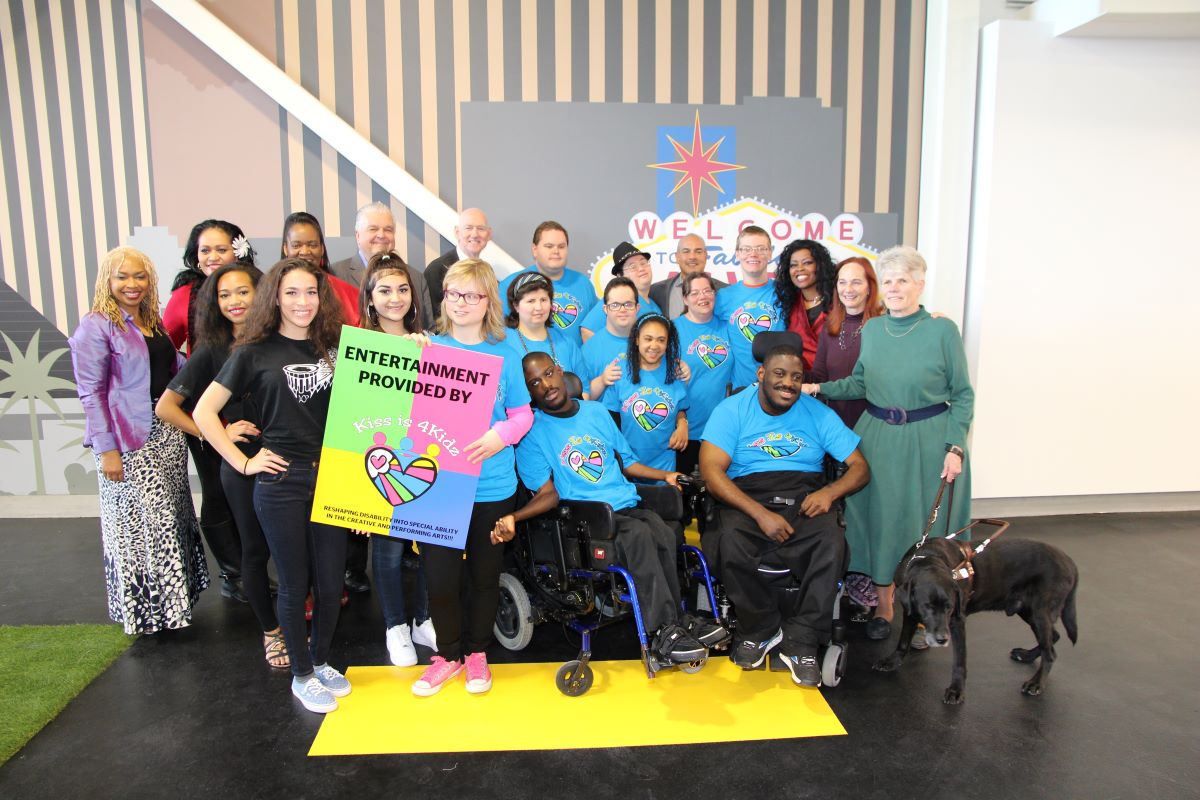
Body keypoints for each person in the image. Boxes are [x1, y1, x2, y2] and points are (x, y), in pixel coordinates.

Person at [194, 258, 351, 714]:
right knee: (294, 582)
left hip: (332, 477)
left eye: (311, 292)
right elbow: (204, 412)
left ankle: (319, 661)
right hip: (282, 481)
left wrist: (417, 345)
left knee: (329, 583)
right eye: (292, 293)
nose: (303, 302)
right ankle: (301, 675)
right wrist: (243, 463)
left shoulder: (337, 347)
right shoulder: (252, 352)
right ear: (275, 298)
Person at [497, 352, 726, 663]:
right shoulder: (533, 433)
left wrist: (665, 476)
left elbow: (627, 463)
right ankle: (662, 632)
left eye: (548, 374)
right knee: (639, 535)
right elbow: (547, 494)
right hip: (587, 517)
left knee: (664, 530)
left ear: (560, 371)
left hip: (624, 504)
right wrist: (514, 516)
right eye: (534, 383)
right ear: (528, 392)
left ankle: (677, 620)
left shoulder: (596, 412)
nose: (546, 385)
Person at [803, 245, 974, 644]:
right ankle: (884, 606)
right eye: (889, 281)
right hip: (878, 436)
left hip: (929, 439)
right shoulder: (874, 329)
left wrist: (955, 447)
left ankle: (927, 610)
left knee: (923, 527)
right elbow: (861, 383)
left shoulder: (942, 330)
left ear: (919, 284)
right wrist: (816, 388)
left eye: (903, 280)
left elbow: (963, 394)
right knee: (879, 523)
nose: (894, 288)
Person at [700, 335, 869, 686]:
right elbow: (712, 472)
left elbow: (859, 467)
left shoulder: (818, 414)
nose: (788, 383)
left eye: (796, 377)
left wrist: (829, 492)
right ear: (761, 374)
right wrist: (760, 514)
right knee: (727, 539)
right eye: (779, 374)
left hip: (804, 495)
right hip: (747, 495)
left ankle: (802, 638)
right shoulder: (731, 410)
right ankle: (760, 628)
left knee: (831, 541)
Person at [154, 262, 288, 667]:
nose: (234, 301)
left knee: (296, 548)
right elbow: (166, 407)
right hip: (242, 464)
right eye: (224, 295)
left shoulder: (284, 339)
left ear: (261, 293)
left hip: (290, 460)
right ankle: (271, 632)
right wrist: (217, 432)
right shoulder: (212, 351)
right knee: (255, 550)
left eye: (243, 291)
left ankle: (297, 619)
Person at [411, 258, 534, 697]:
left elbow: (522, 415)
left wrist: (501, 436)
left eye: (472, 295)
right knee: (440, 578)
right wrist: (407, 355)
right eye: (453, 294)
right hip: (438, 485)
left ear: (488, 302)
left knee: (485, 575)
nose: (461, 303)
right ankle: (447, 656)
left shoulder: (507, 354)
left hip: (493, 485)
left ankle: (478, 652)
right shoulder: (428, 347)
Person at [69, 247, 208, 634]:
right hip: (128, 440)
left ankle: (174, 608)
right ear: (107, 281)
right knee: (141, 529)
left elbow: (174, 369)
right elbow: (91, 394)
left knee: (172, 519)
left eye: (140, 276)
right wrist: (107, 449)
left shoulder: (151, 322)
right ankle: (145, 612)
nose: (132, 284)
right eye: (122, 276)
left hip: (166, 433)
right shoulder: (95, 327)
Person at [356, 251, 437, 666]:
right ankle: (395, 626)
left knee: (430, 545)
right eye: (385, 290)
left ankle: (423, 619)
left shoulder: (430, 343)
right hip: (380, 465)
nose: (395, 298)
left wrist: (425, 356)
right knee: (386, 552)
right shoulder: (358, 348)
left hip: (422, 460)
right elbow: (352, 418)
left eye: (403, 289)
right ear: (370, 298)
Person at [602, 313, 689, 477]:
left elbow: (680, 408)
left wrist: (683, 424)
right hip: (629, 465)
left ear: (668, 343)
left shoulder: (676, 371)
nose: (654, 346)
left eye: (661, 340)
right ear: (637, 340)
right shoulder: (620, 371)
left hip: (665, 465)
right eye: (648, 339)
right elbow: (611, 419)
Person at [330, 202, 434, 329]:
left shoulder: (416, 277)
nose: (381, 235)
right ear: (358, 235)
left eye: (388, 230)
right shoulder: (335, 274)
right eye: (373, 229)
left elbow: (429, 329)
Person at [808, 257, 883, 430]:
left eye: (856, 282)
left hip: (873, 424)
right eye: (842, 282)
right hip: (835, 425)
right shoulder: (829, 327)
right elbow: (819, 376)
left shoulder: (883, 326)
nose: (848, 289)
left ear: (869, 287)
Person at [672, 272, 733, 476]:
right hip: (686, 428)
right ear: (685, 299)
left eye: (707, 291)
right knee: (687, 487)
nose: (702, 297)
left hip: (721, 428)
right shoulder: (673, 330)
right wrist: (681, 421)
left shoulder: (727, 327)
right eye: (695, 293)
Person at [497, 220, 597, 344]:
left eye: (561, 246)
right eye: (549, 246)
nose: (556, 251)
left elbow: (594, 330)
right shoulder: (512, 285)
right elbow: (498, 329)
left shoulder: (583, 284)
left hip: (573, 356)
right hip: (527, 355)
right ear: (535, 249)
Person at [163, 219, 256, 352]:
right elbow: (165, 348)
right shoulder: (185, 295)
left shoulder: (259, 287)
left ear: (238, 253)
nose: (212, 258)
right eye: (205, 251)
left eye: (221, 250)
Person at [502, 270, 596, 397]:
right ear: (516, 306)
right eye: (531, 301)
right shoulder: (503, 343)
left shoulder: (566, 342)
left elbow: (584, 390)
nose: (539, 307)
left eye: (543, 300)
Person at [714, 226, 784, 389]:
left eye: (760, 249)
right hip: (741, 389)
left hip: (780, 387)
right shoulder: (723, 297)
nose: (753, 254)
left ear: (770, 253)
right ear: (737, 254)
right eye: (746, 249)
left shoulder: (785, 292)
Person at [279, 211, 362, 327]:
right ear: (285, 249)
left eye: (312, 245)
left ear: (322, 249)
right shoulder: (272, 291)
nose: (304, 252)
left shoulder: (348, 294)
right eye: (296, 245)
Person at [579, 242, 663, 341]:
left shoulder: (655, 305)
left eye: (643, 263)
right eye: (633, 267)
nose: (641, 269)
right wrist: (612, 351)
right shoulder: (616, 301)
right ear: (620, 275)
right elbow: (587, 330)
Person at [776, 239, 837, 370]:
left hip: (836, 377)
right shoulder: (789, 304)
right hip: (799, 377)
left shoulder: (838, 302)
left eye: (807, 263)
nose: (799, 269)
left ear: (820, 266)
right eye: (793, 265)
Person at [580, 277, 640, 399]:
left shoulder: (650, 343)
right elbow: (582, 398)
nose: (622, 310)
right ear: (605, 309)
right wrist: (602, 380)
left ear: (637, 308)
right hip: (604, 411)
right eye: (615, 305)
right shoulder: (589, 349)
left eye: (628, 304)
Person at [423, 208, 492, 310]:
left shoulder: (488, 271)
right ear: (457, 232)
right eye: (468, 228)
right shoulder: (436, 270)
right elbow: (434, 316)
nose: (475, 234)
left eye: (481, 229)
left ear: (489, 234)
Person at [648, 234, 725, 319]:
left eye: (698, 251)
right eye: (686, 251)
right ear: (677, 257)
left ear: (705, 255)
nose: (692, 257)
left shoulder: (725, 290)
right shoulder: (655, 291)